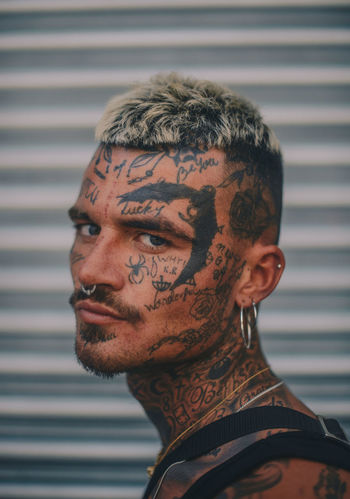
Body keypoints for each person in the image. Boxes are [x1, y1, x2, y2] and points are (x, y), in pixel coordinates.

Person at [68, 73, 350, 498]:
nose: (90, 271)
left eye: (153, 238)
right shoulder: (207, 450)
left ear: (255, 277)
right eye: (89, 227)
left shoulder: (288, 482)